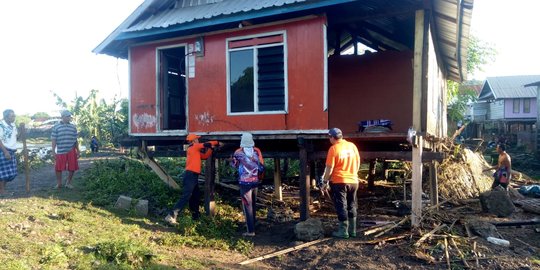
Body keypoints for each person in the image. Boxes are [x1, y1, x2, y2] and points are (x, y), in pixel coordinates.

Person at [165, 133, 223, 225]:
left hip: (193, 175)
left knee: (195, 196)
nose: (198, 140)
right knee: (186, 196)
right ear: (194, 141)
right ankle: (171, 215)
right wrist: (217, 142)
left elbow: (204, 156)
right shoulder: (194, 147)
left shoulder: (194, 150)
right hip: (190, 175)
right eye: (197, 139)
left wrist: (211, 149)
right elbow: (206, 144)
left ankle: (195, 216)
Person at [321, 128, 360, 238]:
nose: (329, 140)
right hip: (353, 181)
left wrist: (325, 181)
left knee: (341, 205)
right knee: (352, 204)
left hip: (340, 181)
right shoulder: (352, 146)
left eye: (329, 137)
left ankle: (343, 231)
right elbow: (357, 162)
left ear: (332, 137)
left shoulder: (333, 149)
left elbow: (329, 168)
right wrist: (353, 174)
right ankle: (353, 231)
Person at [231, 133, 264, 237]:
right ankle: (253, 223)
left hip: (244, 182)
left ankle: (250, 231)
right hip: (255, 181)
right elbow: (261, 166)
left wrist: (230, 161)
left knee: (247, 206)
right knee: (253, 203)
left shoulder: (238, 152)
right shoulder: (256, 151)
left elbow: (234, 165)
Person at [51, 110, 80, 189]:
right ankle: (59, 183)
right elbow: (53, 140)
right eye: (67, 116)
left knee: (72, 167)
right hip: (60, 150)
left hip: (71, 149)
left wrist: (78, 150)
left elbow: (75, 140)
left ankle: (68, 183)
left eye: (69, 116)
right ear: (62, 117)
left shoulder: (73, 127)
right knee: (58, 167)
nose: (69, 117)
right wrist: (53, 151)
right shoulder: (56, 127)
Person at [0, 109, 18, 195]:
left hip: (11, 150)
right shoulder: (1, 125)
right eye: (12, 116)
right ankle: (2, 191)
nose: (14, 117)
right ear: (6, 117)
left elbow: (16, 138)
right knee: (3, 173)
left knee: (10, 173)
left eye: (14, 116)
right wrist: (5, 152)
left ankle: (2, 190)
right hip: (3, 150)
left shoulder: (13, 125)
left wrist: (22, 131)